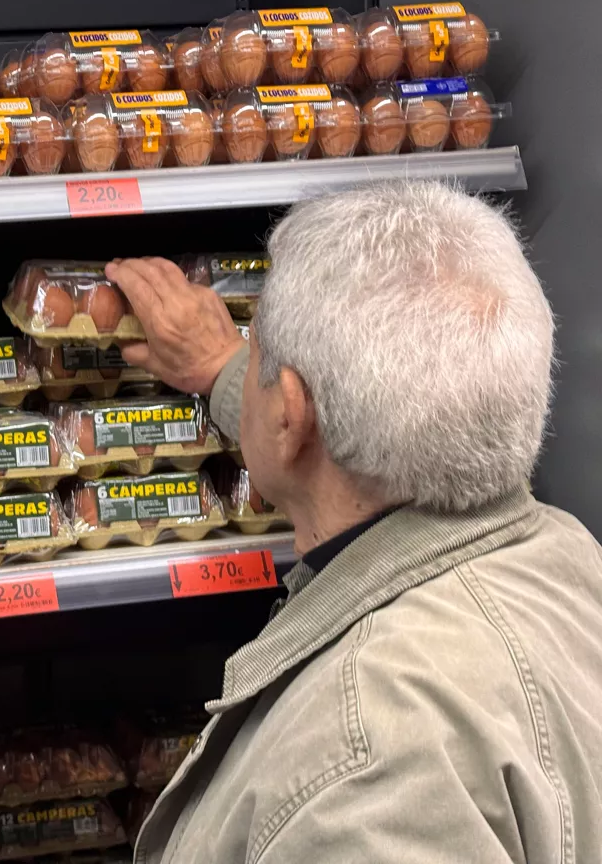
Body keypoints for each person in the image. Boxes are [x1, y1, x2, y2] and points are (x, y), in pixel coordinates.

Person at [107, 180, 602, 863]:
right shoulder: (571, 560)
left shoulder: (362, 775)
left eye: (256, 350)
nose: (248, 363)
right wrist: (226, 369)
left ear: (290, 416)